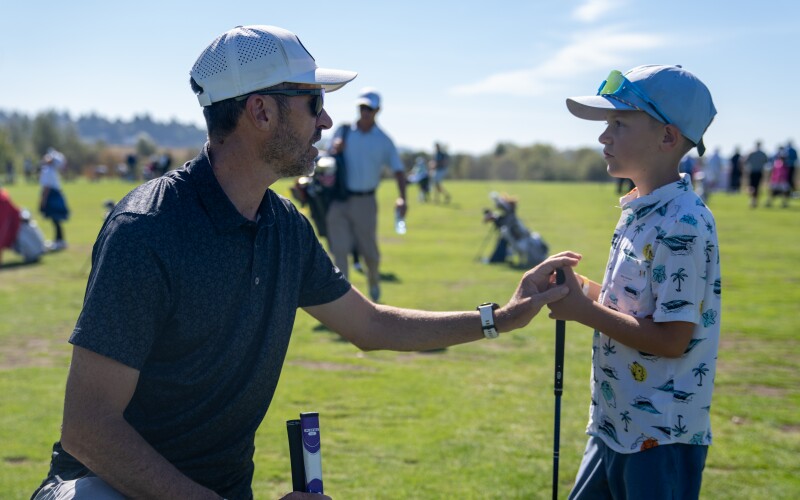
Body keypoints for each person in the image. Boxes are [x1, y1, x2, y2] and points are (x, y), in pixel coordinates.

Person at [31, 25, 578, 500]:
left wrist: (500, 318)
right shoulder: (146, 229)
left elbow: (371, 325)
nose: (327, 120)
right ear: (261, 111)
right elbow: (88, 429)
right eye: (313, 103)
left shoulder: (285, 226)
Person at [555, 65, 721, 500]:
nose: (603, 137)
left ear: (667, 137)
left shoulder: (684, 223)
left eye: (619, 124)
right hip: (614, 423)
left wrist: (583, 311)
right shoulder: (639, 209)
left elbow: (671, 339)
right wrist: (575, 289)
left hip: (660, 437)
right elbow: (627, 306)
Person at [324, 87, 407, 303]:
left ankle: (374, 282)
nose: (365, 112)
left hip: (365, 202)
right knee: (339, 250)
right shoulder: (343, 131)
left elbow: (398, 170)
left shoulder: (384, 140)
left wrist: (402, 198)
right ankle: (343, 299)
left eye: (369, 108)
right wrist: (334, 150)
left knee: (369, 252)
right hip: (339, 199)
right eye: (362, 107)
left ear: (377, 110)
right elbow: (326, 160)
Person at [38, 152, 69, 251]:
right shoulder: (51, 170)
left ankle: (59, 241)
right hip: (55, 195)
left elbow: (46, 188)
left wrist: (42, 202)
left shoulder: (47, 171)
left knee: (55, 219)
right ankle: (59, 240)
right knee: (56, 220)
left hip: (52, 197)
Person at [745, 141, 769, 208]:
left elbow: (746, 161)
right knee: (757, 187)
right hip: (759, 172)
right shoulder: (763, 153)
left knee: (752, 186)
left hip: (753, 171)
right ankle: (755, 200)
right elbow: (766, 162)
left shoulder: (751, 153)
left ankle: (752, 200)